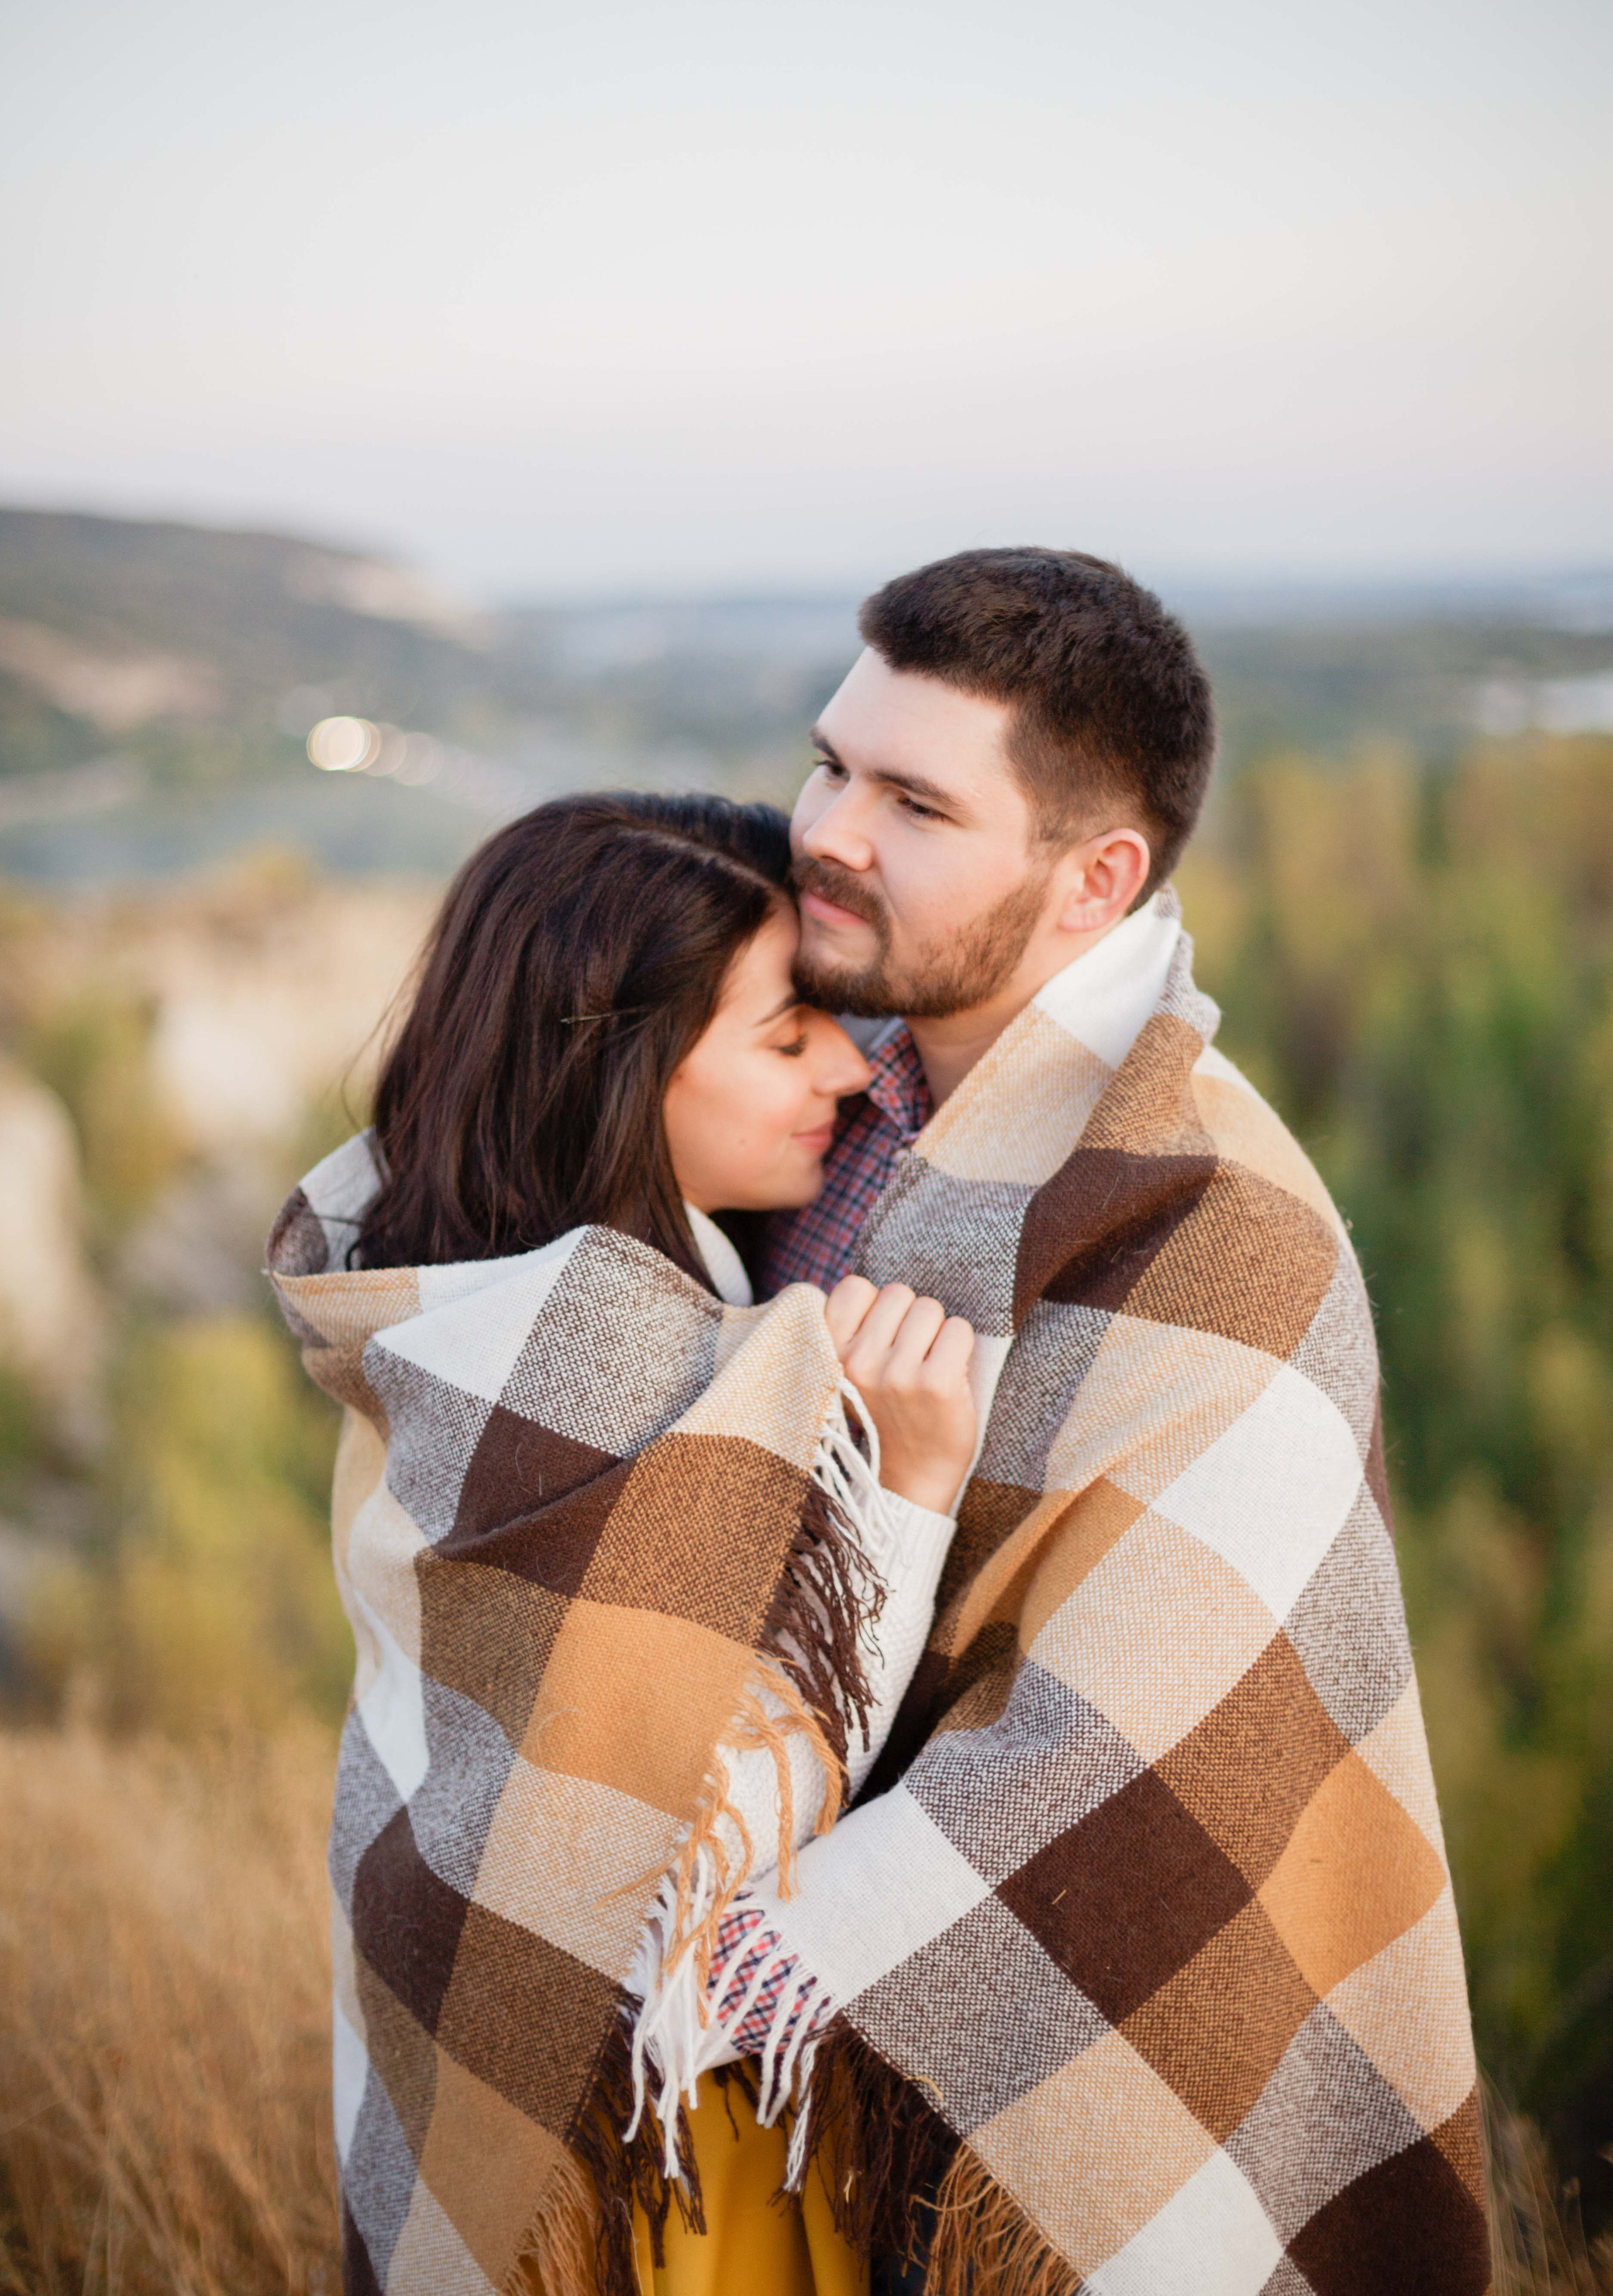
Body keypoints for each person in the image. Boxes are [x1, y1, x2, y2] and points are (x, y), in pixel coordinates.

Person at [679, 549, 1489, 2293]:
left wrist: (723, 1968)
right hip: (747, 2025)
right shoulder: (829, 1084)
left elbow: (1133, 1732)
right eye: (832, 762)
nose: (827, 826)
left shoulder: (1223, 1232)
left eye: (914, 801)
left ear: (1092, 878)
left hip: (892, 2019)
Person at [268, 792, 981, 2296]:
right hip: (658, 2164)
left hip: (534, 2107)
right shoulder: (593, 1358)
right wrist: (909, 1487)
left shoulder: (447, 1296)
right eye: (787, 1037)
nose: (853, 1072)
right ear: (621, 1067)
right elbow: (697, 1875)